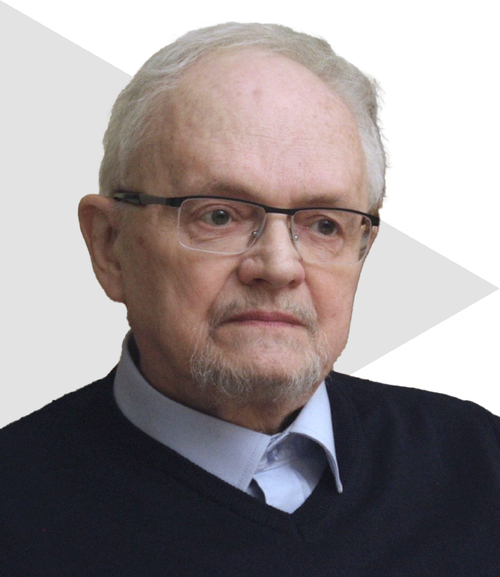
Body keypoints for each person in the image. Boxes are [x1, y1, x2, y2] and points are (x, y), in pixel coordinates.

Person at [1, 22, 499, 576]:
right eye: (219, 215)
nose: (279, 267)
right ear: (110, 246)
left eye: (324, 225)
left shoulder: (479, 464)